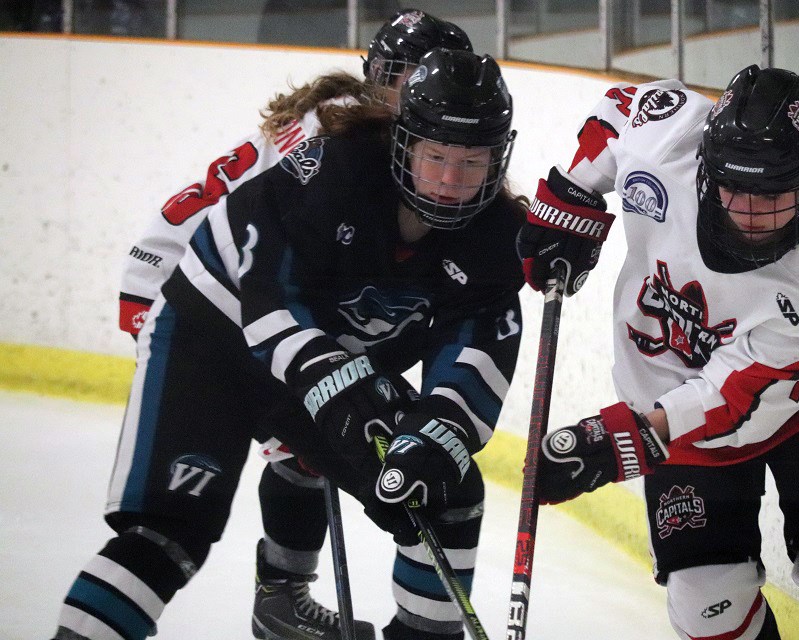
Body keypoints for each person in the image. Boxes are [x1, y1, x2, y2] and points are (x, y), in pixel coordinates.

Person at [55, 49, 523, 640]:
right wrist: (340, 387)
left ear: (498, 157)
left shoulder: (498, 239)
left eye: (471, 161)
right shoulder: (332, 171)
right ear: (405, 144)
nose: (451, 181)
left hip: (317, 361)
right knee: (169, 532)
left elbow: (477, 351)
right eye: (437, 157)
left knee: (443, 485)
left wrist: (438, 433)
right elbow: (270, 295)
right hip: (210, 340)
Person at [516, 65, 799, 640]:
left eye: (774, 193)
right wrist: (569, 201)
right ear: (706, 162)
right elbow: (618, 111)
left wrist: (619, 441)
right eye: (734, 187)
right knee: (707, 603)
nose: (749, 212)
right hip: (673, 404)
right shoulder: (670, 140)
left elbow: (730, 394)